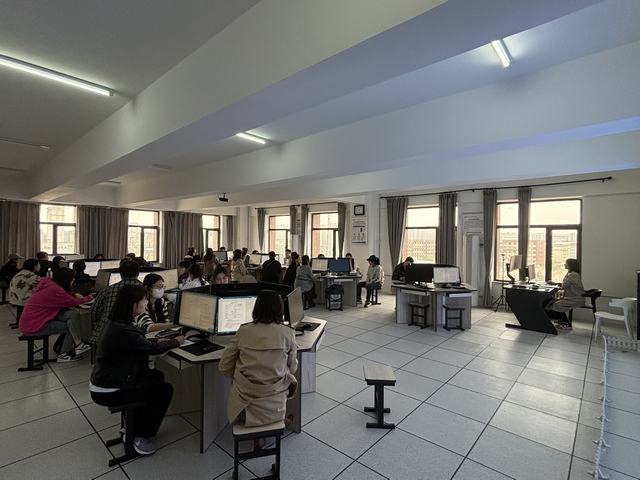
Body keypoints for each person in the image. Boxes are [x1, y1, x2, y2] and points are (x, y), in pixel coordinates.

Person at [90, 285, 184, 456]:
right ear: (134, 305)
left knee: (157, 376)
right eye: (144, 300)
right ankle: (140, 435)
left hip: (106, 380)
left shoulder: (118, 322)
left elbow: (140, 343)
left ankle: (132, 425)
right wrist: (177, 341)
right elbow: (151, 348)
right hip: (110, 389)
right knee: (164, 390)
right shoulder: (123, 330)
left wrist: (161, 340)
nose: (146, 303)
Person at [219, 290, 297, 432]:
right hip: (276, 408)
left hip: (243, 410)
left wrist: (240, 378)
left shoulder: (244, 331)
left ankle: (258, 432)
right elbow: (292, 368)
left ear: (256, 308)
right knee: (288, 380)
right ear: (280, 310)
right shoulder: (288, 333)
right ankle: (278, 420)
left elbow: (224, 366)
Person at [19, 267, 93, 361]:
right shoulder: (55, 290)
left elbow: (64, 296)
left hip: (34, 320)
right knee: (71, 327)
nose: (74, 280)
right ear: (66, 279)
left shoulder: (49, 284)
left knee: (72, 314)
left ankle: (79, 344)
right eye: (72, 278)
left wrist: (73, 294)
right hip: (34, 326)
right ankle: (64, 354)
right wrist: (91, 297)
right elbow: (73, 302)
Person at [90, 260, 142, 345]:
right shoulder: (144, 290)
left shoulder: (108, 289)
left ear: (120, 274)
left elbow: (94, 312)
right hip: (134, 338)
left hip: (103, 335)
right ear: (138, 273)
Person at [545, 258, 585, 328]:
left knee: (557, 304)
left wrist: (553, 283)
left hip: (575, 299)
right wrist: (554, 283)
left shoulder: (573, 275)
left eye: (566, 263)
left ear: (570, 265)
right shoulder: (571, 274)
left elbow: (564, 286)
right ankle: (561, 321)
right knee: (552, 301)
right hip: (571, 298)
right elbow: (565, 284)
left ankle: (565, 323)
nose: (565, 264)